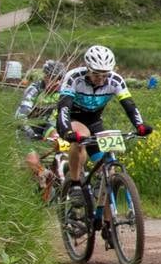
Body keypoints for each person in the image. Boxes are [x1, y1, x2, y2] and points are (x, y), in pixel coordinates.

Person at [55, 45, 153, 246]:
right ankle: (74, 184)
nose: (101, 79)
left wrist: (140, 125)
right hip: (75, 120)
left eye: (104, 75)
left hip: (95, 122)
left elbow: (129, 105)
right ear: (87, 69)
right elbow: (64, 108)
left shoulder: (116, 80)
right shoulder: (74, 78)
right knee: (80, 140)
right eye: (96, 75)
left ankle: (109, 222)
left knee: (107, 171)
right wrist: (66, 131)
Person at [16, 59, 66, 191]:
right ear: (45, 77)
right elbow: (20, 116)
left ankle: (59, 169)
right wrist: (30, 133)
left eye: (60, 79)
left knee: (61, 141)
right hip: (25, 126)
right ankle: (41, 173)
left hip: (45, 124)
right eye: (53, 79)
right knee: (32, 159)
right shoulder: (35, 89)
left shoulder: (62, 92)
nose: (57, 83)